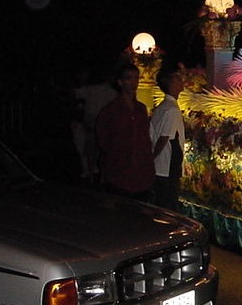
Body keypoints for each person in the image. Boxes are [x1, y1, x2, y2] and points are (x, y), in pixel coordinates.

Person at [94, 63, 156, 202]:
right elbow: (103, 140)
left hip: (141, 175)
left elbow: (144, 139)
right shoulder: (111, 110)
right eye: (129, 78)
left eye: (136, 78)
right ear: (120, 82)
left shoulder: (140, 109)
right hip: (119, 174)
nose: (133, 83)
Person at [71, 65, 117, 184]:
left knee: (93, 152)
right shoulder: (108, 92)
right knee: (94, 151)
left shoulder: (105, 92)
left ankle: (93, 175)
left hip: (95, 126)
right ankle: (95, 175)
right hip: (95, 126)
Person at [149, 67, 185, 211]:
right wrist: (152, 157)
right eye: (177, 79)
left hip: (160, 165)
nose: (181, 81)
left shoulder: (162, 107)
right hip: (167, 165)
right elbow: (165, 138)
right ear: (171, 85)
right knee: (167, 205)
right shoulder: (172, 110)